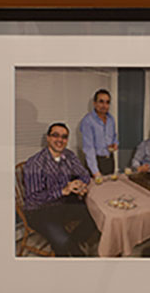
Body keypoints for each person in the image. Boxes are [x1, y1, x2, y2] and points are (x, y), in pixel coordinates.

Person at [20, 123, 98, 257]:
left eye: (64, 137)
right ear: (48, 138)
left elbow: (84, 174)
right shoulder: (35, 164)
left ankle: (74, 242)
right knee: (61, 241)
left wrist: (80, 185)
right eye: (55, 135)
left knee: (95, 216)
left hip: (61, 203)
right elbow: (33, 198)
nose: (60, 140)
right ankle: (66, 257)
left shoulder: (69, 155)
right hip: (38, 210)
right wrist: (63, 191)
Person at [80, 88, 119, 180]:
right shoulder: (88, 121)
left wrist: (115, 143)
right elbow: (89, 149)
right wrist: (95, 172)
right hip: (95, 161)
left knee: (111, 189)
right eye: (101, 102)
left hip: (109, 160)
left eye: (107, 102)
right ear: (94, 103)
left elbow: (114, 136)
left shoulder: (111, 119)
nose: (104, 105)